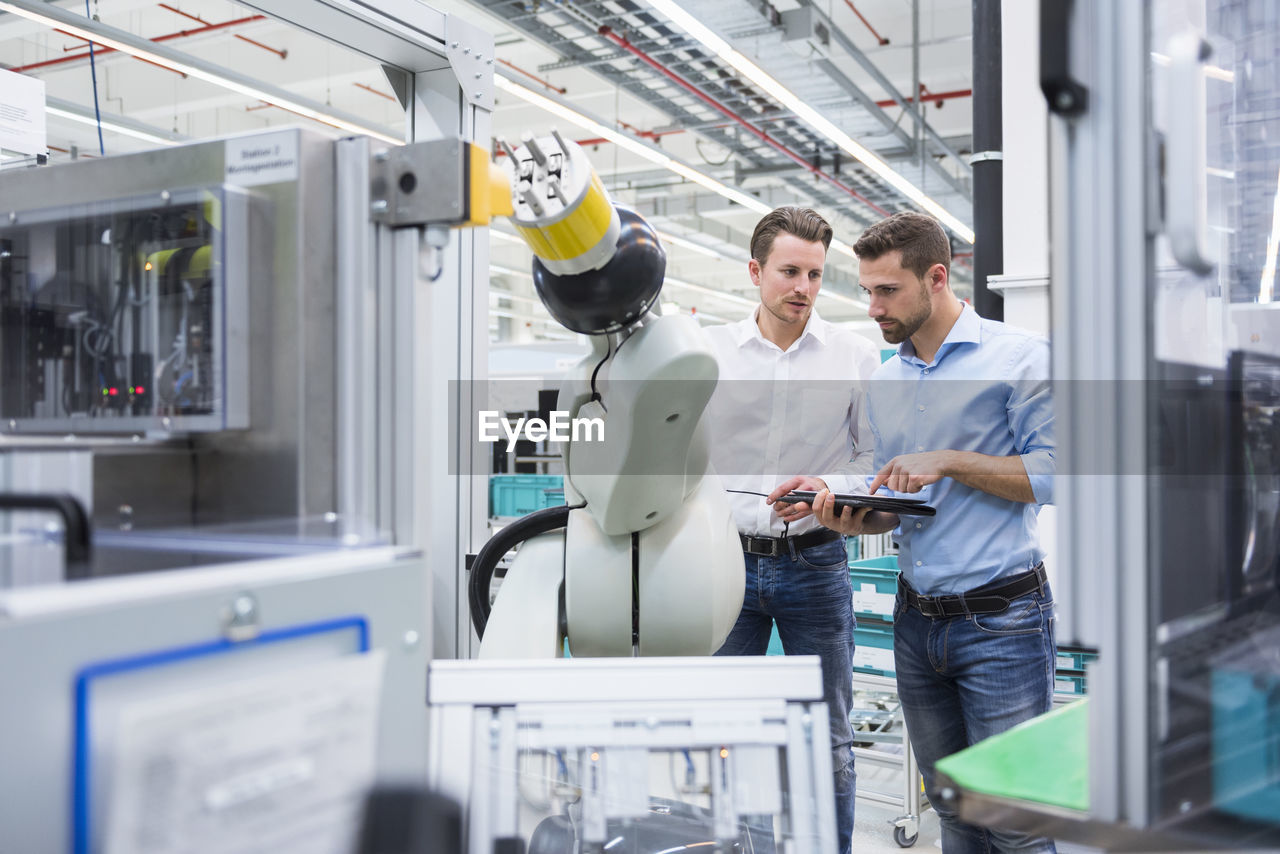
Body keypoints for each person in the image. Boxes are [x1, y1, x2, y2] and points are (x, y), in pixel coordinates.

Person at [814, 211, 1056, 854]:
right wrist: (849, 513)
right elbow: (896, 502)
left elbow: (1058, 476)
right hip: (916, 621)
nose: (872, 308)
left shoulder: (1020, 359)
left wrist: (948, 460)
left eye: (887, 290)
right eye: (866, 290)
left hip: (1002, 619)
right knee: (953, 812)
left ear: (937, 277)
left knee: (1017, 824)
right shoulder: (886, 381)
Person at [703, 205, 880, 854]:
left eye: (814, 273)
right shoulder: (710, 354)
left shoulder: (855, 356)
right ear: (756, 271)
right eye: (789, 271)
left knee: (827, 732)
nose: (803, 287)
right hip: (724, 567)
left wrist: (832, 490)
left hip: (816, 563)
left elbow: (873, 458)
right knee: (731, 729)